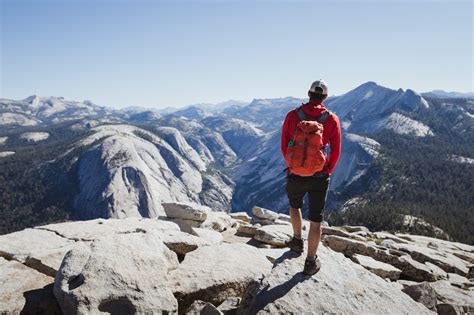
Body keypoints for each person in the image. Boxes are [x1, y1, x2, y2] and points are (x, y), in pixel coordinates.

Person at [280, 79, 342, 276]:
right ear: (325, 97)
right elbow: (336, 150)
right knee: (316, 220)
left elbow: (284, 144)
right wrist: (327, 170)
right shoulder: (331, 119)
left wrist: (293, 165)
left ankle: (297, 240)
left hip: (296, 172)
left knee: (294, 205)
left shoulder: (292, 116)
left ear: (308, 93)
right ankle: (310, 261)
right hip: (319, 175)